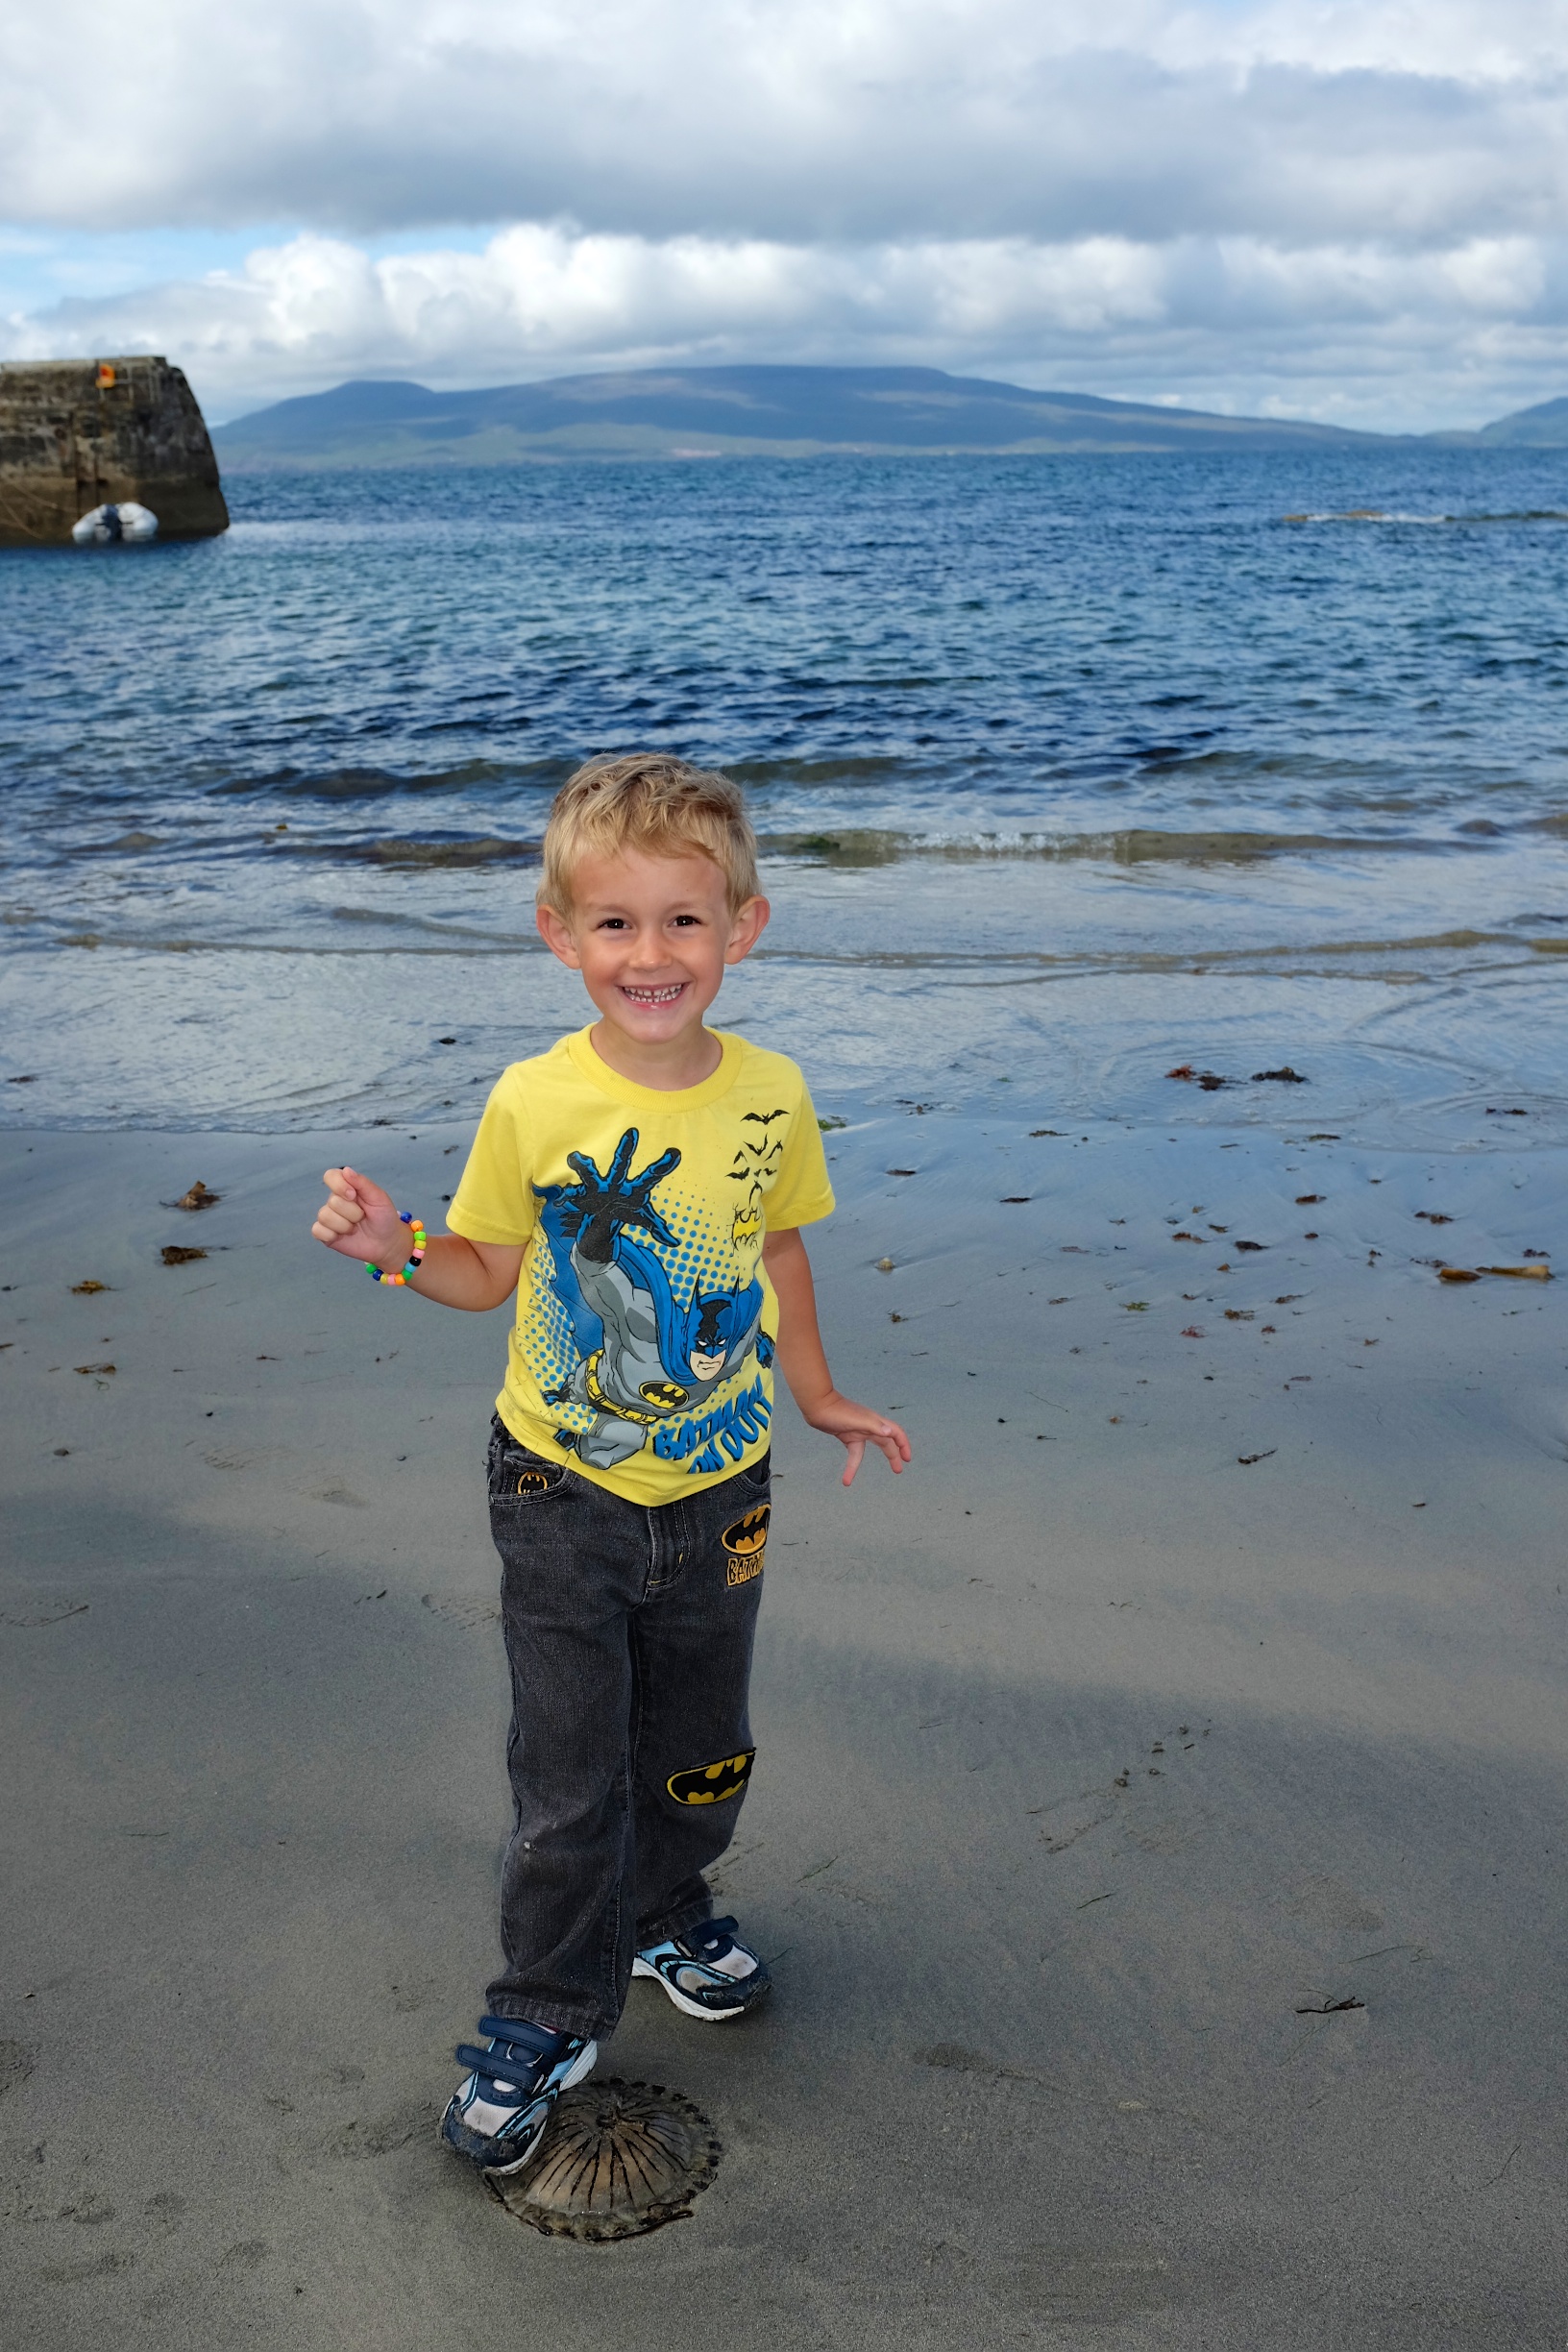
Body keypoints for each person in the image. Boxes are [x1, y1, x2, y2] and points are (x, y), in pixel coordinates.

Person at [310, 753, 912, 2174]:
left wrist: (818, 1395)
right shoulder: (534, 1100)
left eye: (686, 922)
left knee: (700, 1750)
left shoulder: (773, 1095)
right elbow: (487, 1273)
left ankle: (663, 1907)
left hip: (723, 1494)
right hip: (560, 1496)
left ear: (745, 927)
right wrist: (398, 1253)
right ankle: (538, 2010)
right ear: (559, 933)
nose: (654, 955)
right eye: (618, 924)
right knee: (570, 1772)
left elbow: (778, 1250)